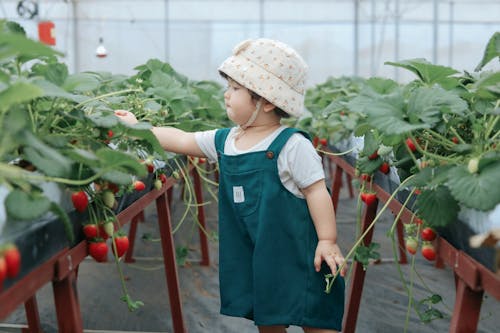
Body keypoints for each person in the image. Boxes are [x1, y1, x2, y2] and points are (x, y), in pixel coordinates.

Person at [115, 38, 346, 333]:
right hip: (258, 254)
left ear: (267, 100)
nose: (226, 95)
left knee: (315, 316)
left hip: (298, 254)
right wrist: (138, 128)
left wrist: (327, 239)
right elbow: (183, 140)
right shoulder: (226, 141)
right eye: (229, 87)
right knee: (268, 317)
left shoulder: (291, 146)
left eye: (236, 89)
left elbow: (316, 191)